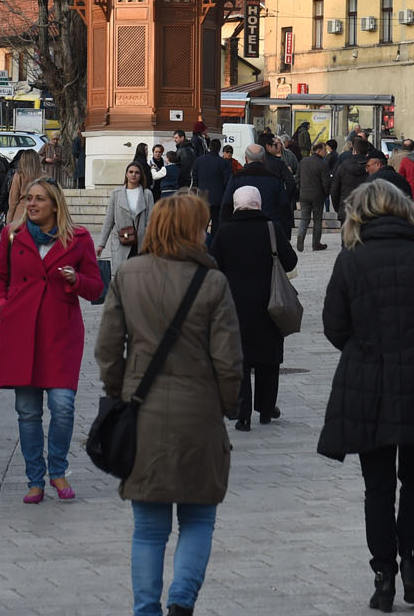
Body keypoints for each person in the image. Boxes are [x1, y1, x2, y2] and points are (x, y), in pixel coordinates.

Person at [95, 193, 242, 616]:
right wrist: (226, 406)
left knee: (148, 529)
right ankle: (181, 602)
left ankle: (146, 610)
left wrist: (119, 392)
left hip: (142, 412)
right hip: (199, 413)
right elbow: (228, 359)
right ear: (193, 230)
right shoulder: (212, 282)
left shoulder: (129, 274)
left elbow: (108, 350)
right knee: (198, 519)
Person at [317, 181, 414, 612]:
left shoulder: (351, 259)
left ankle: (383, 574)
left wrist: (363, 350)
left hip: (368, 384)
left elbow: (334, 325)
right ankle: (412, 559)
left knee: (376, 487)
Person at [0, 178, 101, 503]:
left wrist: (76, 279)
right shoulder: (11, 235)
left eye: (39, 199)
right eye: (28, 198)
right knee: (27, 411)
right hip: (20, 331)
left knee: (62, 407)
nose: (32, 204)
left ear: (55, 205)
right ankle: (34, 479)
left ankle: (59, 471)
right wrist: (2, 305)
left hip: (60, 333)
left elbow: (96, 287)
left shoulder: (78, 239)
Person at [212, 186, 296, 431]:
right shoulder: (272, 229)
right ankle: (266, 408)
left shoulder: (224, 232)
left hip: (234, 303)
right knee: (269, 358)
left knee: (239, 358)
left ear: (236, 204)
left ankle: (243, 414)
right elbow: (290, 261)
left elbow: (214, 266)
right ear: (258, 203)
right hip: (270, 302)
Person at [97, 162, 152, 280]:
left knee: (138, 276)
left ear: (141, 175)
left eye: (137, 173)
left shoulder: (146, 194)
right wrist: (101, 244)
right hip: (120, 241)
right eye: (131, 172)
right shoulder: (116, 194)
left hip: (140, 242)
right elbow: (109, 219)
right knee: (120, 275)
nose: (134, 175)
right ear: (126, 174)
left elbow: (150, 220)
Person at [220, 143, 290, 234]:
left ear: (246, 159)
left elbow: (226, 205)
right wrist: (285, 232)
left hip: (241, 228)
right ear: (264, 159)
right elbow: (284, 207)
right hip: (269, 228)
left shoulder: (236, 178)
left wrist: (223, 230)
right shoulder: (275, 179)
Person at [296, 141, 333, 252]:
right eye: (324, 150)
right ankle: (316, 244)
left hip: (304, 195)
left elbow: (297, 177)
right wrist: (326, 194)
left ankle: (301, 235)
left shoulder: (303, 162)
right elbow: (326, 182)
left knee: (304, 218)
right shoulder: (322, 164)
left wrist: (299, 190)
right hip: (317, 196)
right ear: (318, 151)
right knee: (317, 220)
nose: (326, 152)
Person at [190, 138, 231, 236]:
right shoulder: (223, 163)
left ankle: (201, 244)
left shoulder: (199, 160)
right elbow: (227, 181)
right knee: (216, 224)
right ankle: (213, 245)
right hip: (218, 198)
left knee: (202, 224)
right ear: (219, 149)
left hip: (202, 196)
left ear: (209, 147)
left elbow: (194, 177)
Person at [331, 138, 373, 222]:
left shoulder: (343, 166)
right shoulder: (371, 167)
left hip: (346, 209)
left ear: (354, 151)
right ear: (367, 152)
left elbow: (335, 190)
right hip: (365, 211)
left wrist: (338, 208)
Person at [6, 149, 44, 226]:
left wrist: (9, 221)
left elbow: (13, 200)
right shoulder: (44, 176)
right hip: (40, 214)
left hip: (21, 214)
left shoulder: (19, 175)